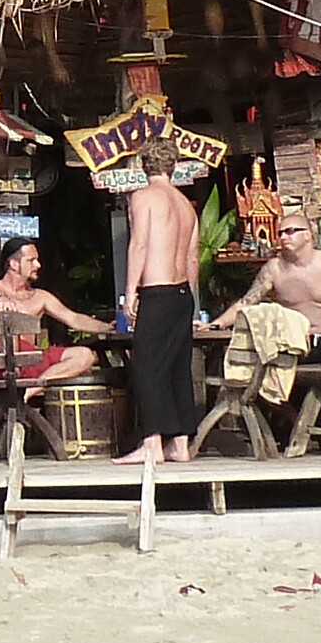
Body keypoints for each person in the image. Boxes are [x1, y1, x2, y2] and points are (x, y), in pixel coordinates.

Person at [120, 151, 203, 464]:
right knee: (178, 368)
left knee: (147, 367)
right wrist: (189, 297)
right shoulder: (185, 205)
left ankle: (153, 442)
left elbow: (139, 243)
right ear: (174, 167)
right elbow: (193, 257)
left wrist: (131, 291)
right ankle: (181, 443)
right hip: (182, 293)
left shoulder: (144, 197)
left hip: (157, 290)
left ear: (144, 166)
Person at [223, 216, 321, 367]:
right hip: (293, 344)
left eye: (290, 231)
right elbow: (246, 302)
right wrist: (217, 323)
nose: (284, 237)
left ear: (307, 235)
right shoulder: (274, 269)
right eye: (281, 233)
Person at [0, 242, 106, 387]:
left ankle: (33, 390)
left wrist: (106, 327)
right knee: (9, 323)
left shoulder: (40, 297)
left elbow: (73, 318)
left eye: (37, 260)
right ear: (14, 264)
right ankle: (21, 379)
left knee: (85, 356)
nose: (38, 265)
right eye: (31, 260)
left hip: (32, 362)